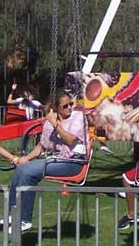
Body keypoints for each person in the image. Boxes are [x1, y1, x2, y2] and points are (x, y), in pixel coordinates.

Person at [7, 89, 87, 232]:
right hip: (56, 160)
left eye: (71, 104)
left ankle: (25, 220)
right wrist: (25, 158)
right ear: (56, 108)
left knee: (29, 173)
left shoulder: (78, 117)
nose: (69, 108)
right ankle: (13, 214)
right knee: (21, 169)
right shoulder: (49, 123)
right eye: (65, 106)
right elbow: (42, 146)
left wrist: (55, 124)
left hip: (74, 162)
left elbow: (70, 140)